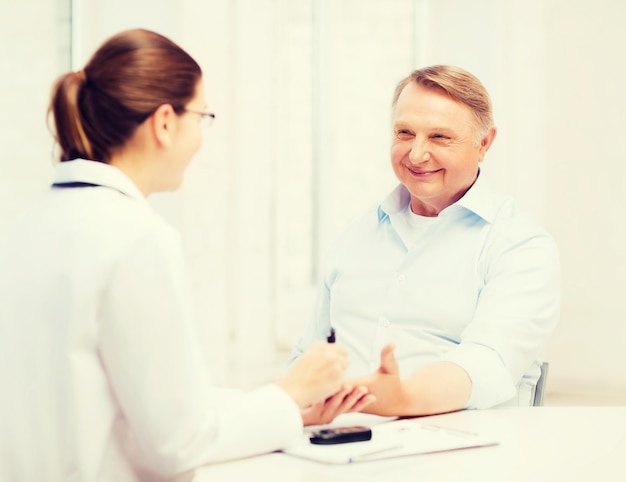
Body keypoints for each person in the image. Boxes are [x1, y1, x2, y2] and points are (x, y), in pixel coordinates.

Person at [0, 29, 373, 482]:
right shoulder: (137, 237)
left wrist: (285, 399)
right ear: (164, 122)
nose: (201, 136)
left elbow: (132, 406)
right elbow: (179, 444)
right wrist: (290, 395)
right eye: (203, 116)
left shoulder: (28, 225)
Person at [290, 65, 560, 416]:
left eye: (439, 137)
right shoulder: (354, 237)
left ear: (484, 143)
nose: (416, 155)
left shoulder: (522, 248)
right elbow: (308, 355)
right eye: (405, 133)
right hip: (340, 446)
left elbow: (488, 361)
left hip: (461, 453)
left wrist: (399, 399)